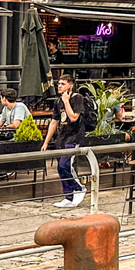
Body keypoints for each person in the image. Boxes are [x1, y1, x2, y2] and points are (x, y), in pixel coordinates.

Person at [42, 75, 88, 208]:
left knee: (65, 165)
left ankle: (78, 188)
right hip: (62, 137)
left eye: (63, 83)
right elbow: (54, 121)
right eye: (58, 83)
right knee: (60, 167)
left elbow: (74, 117)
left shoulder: (77, 98)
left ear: (70, 85)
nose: (59, 86)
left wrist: (67, 101)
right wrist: (46, 141)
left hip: (75, 136)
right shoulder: (57, 101)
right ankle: (69, 195)